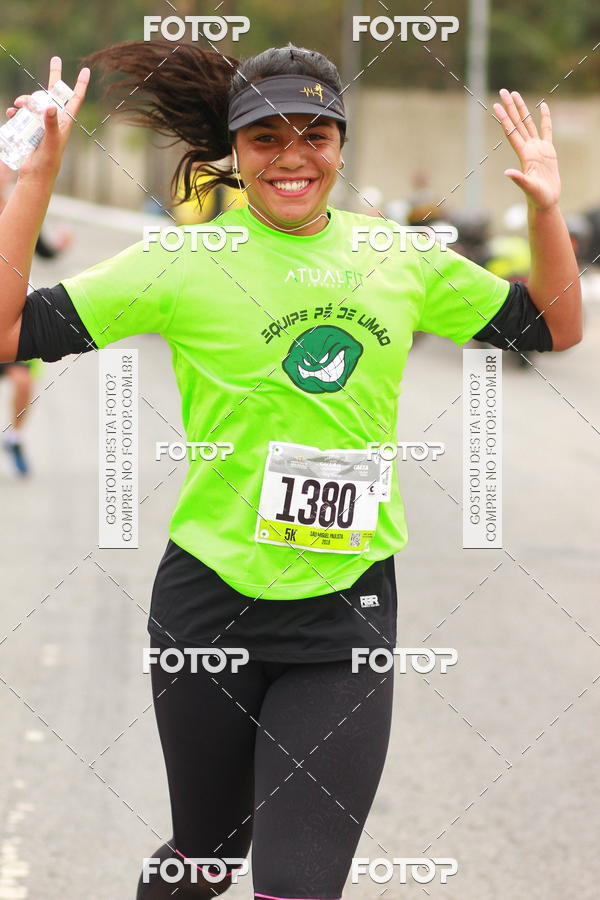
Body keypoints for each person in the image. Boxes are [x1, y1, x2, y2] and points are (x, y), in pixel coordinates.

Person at [0, 43, 582, 900]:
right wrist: (34, 178)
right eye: (266, 137)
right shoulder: (183, 262)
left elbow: (553, 326)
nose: (292, 156)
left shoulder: (398, 257)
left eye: (315, 134)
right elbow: (10, 331)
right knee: (207, 858)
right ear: (235, 152)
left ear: (342, 145)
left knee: (295, 886)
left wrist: (545, 210)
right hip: (209, 605)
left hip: (344, 613)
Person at [0, 160, 72, 474]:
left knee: (24, 381)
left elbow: (44, 251)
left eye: (4, 169)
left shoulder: (21, 210)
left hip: (13, 316)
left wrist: (59, 247)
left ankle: (14, 438)